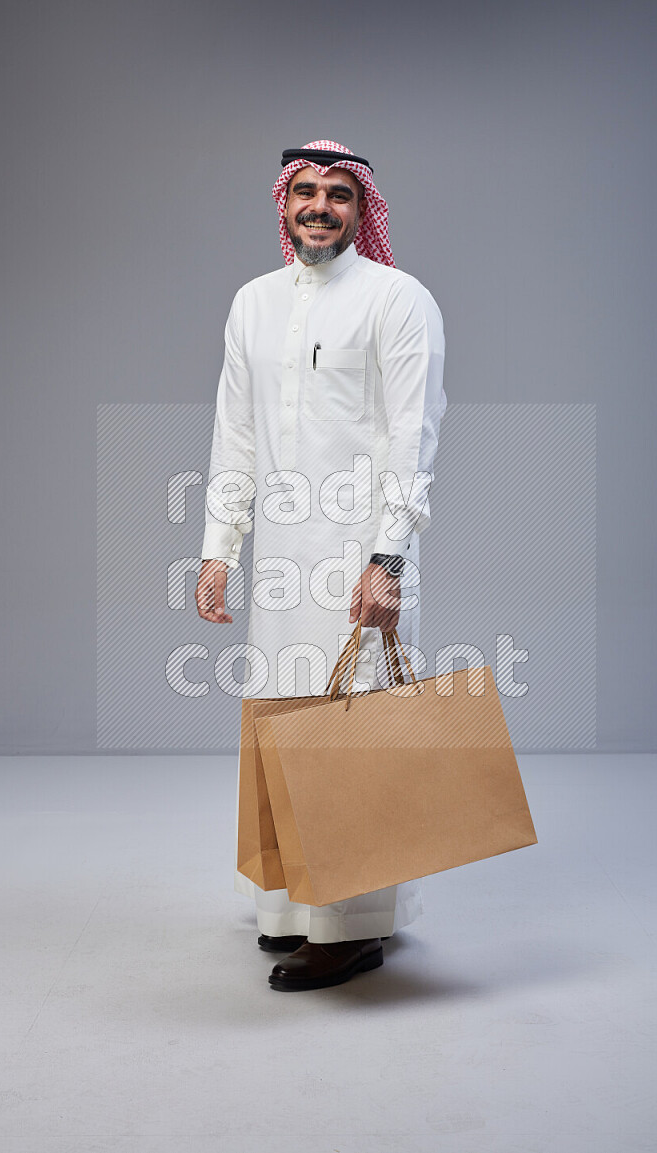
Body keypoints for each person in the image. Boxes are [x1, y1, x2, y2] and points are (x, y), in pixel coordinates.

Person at [195, 139, 447, 991]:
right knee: (283, 723)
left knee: (354, 733)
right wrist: (218, 549)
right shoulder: (254, 303)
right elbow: (235, 431)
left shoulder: (398, 299)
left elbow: (412, 437)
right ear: (284, 202)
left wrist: (388, 559)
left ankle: (350, 928)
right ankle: (293, 910)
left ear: (360, 206)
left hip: (358, 553)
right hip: (279, 559)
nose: (320, 207)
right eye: (306, 191)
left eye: (339, 194)